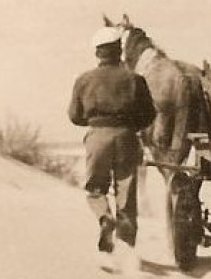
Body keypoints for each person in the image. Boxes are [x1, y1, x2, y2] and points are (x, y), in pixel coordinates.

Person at [67, 26, 157, 253]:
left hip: (97, 137)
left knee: (96, 189)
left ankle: (104, 218)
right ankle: (126, 250)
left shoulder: (84, 80)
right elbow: (149, 115)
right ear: (120, 50)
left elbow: (75, 116)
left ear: (98, 53)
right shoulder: (136, 79)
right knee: (126, 195)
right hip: (127, 137)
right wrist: (130, 126)